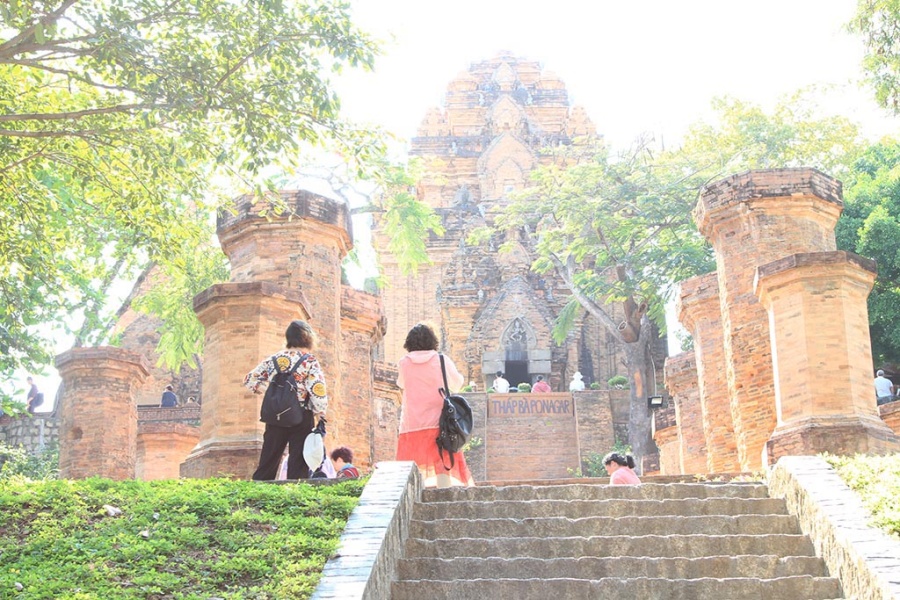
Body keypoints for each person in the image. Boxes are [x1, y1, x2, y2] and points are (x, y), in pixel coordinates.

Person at [244, 320, 328, 481]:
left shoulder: (275, 359)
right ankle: (294, 494)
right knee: (298, 460)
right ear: (308, 338)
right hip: (301, 413)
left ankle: (258, 492)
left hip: (276, 413)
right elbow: (317, 388)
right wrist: (321, 412)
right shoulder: (309, 361)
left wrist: (270, 392)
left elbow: (250, 379)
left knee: (269, 456)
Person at [395, 322, 474, 488]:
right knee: (442, 460)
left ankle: (416, 493)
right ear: (432, 341)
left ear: (409, 343)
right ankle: (443, 492)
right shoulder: (441, 360)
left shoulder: (404, 363)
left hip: (412, 421)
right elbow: (457, 383)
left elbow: (401, 384)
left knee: (412, 463)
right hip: (440, 421)